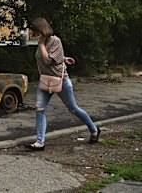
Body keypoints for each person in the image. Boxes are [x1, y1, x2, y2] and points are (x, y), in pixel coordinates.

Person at [24, 17, 100, 151]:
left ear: (41, 29)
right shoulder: (42, 41)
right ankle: (40, 142)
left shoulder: (55, 41)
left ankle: (94, 129)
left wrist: (41, 45)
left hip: (61, 81)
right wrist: (63, 58)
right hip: (45, 80)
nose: (33, 34)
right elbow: (49, 58)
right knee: (39, 109)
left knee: (73, 109)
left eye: (35, 31)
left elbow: (48, 60)